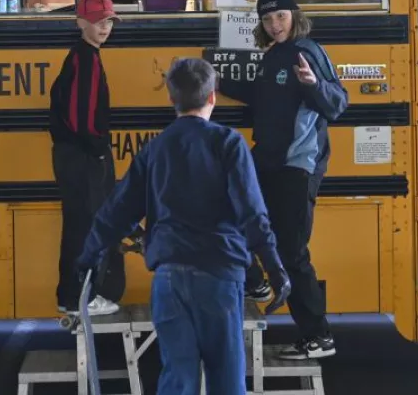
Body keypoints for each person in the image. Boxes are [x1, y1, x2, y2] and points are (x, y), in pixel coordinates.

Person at [75, 57, 291, 395]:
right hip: (220, 276)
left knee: (178, 378)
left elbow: (116, 211)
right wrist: (275, 268)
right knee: (227, 378)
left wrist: (87, 257)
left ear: (170, 99)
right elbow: (252, 211)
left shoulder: (155, 149)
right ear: (213, 97)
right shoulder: (229, 143)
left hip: (170, 278)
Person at [216, 0, 348, 360]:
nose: (275, 23)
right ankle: (257, 283)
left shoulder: (307, 51)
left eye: (281, 14)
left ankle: (318, 336)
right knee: (232, 208)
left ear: (294, 14)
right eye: (268, 17)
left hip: (296, 164)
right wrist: (215, 80)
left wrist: (312, 84)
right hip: (267, 159)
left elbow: (337, 103)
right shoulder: (274, 54)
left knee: (291, 251)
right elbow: (259, 96)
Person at [49, 0, 125, 316]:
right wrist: (97, 150)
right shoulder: (87, 59)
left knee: (77, 224)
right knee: (86, 225)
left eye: (107, 21)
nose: (103, 27)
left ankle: (71, 295)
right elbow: (84, 115)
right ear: (80, 22)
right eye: (96, 21)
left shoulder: (80, 56)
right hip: (82, 155)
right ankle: (82, 296)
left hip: (70, 153)